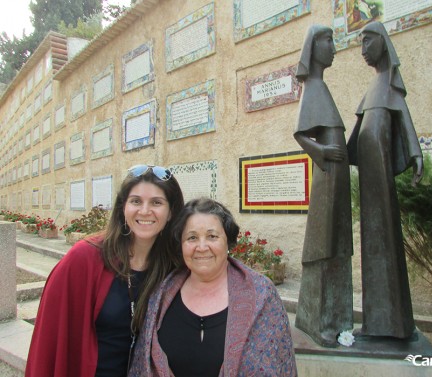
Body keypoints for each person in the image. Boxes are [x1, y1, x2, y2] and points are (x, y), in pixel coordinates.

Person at [25, 165, 185, 377]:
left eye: (156, 202)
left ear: (171, 211)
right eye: (136, 201)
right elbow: (48, 340)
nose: (145, 211)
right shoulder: (84, 258)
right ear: (122, 208)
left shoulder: (174, 266)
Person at [129, 198, 297, 376]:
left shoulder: (262, 294)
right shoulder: (161, 296)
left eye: (212, 236)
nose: (202, 247)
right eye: (192, 238)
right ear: (181, 245)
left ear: (228, 241)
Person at [347, 21, 423, 338]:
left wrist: (416, 155)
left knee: (384, 244)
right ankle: (377, 322)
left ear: (381, 43)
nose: (363, 49)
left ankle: (392, 323)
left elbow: (403, 120)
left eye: (367, 42)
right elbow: (358, 134)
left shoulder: (390, 85)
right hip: (369, 177)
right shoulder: (373, 87)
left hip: (380, 177)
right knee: (372, 244)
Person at [293, 24, 353, 348]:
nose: (333, 47)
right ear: (313, 46)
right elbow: (301, 134)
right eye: (328, 40)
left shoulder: (322, 87)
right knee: (325, 241)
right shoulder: (313, 88)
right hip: (327, 175)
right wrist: (324, 152)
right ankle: (320, 321)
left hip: (337, 175)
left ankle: (337, 318)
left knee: (338, 241)